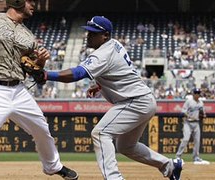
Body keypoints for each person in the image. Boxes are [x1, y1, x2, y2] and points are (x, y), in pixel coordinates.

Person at [41, 16, 183, 180]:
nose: (89, 36)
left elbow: (77, 74)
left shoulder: (103, 53)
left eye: (94, 33)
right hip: (143, 100)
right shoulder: (115, 44)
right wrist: (101, 84)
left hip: (135, 101)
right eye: (88, 32)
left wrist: (46, 75)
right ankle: (170, 166)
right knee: (126, 146)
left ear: (105, 35)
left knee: (101, 133)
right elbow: (119, 71)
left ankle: (114, 178)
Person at [0, 0, 78, 179]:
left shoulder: (28, 36)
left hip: (18, 90)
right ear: (18, 2)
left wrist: (41, 61)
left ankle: (53, 166)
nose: (33, 5)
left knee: (41, 129)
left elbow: (36, 74)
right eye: (30, 1)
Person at [176, 88, 210, 165]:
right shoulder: (189, 101)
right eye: (196, 93)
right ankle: (178, 156)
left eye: (198, 93)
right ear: (193, 94)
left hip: (196, 123)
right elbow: (183, 112)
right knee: (185, 139)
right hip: (188, 123)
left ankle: (196, 158)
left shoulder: (201, 103)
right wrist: (189, 116)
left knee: (197, 141)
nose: (197, 94)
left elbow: (203, 113)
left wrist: (203, 115)